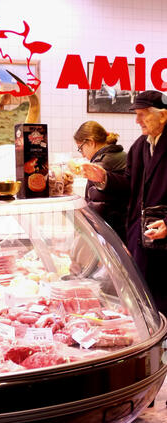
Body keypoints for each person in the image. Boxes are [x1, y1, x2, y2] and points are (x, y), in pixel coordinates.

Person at [80, 90, 167, 317]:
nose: (137, 120)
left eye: (142, 114)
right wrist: (104, 179)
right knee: (145, 303)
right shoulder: (140, 146)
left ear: (163, 116)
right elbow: (130, 185)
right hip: (141, 238)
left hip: (164, 242)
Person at [72, 121, 128, 242]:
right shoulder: (122, 154)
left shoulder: (100, 164)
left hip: (112, 233)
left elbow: (98, 205)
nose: (82, 155)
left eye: (81, 149)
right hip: (124, 229)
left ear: (91, 142)